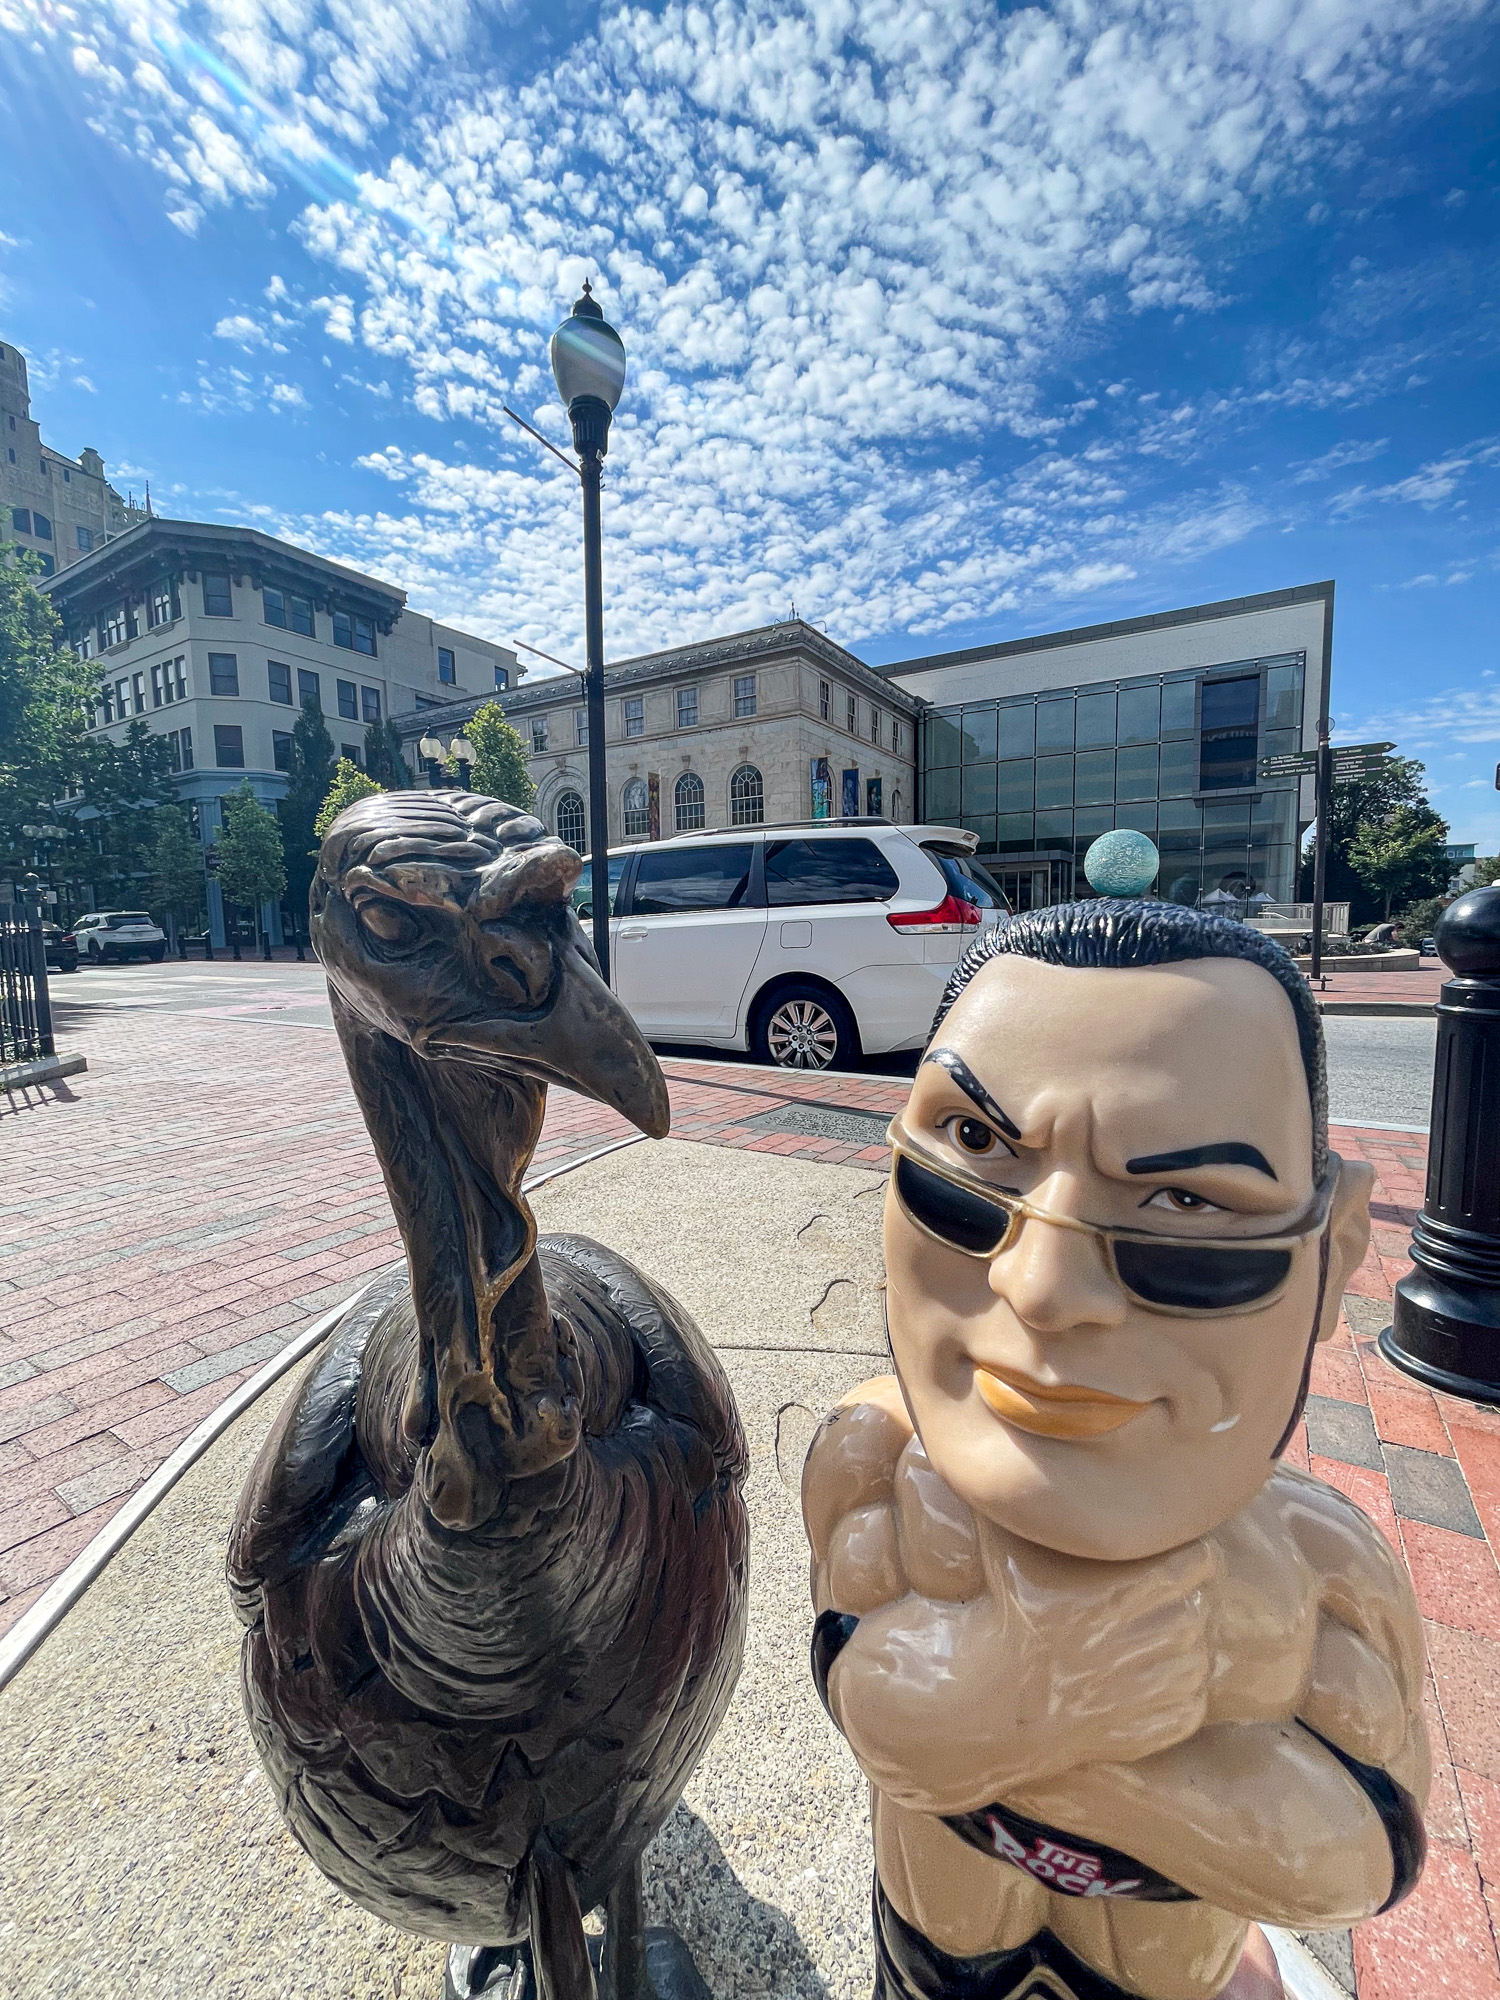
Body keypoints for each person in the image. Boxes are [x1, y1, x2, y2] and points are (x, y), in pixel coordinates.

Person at [802, 900, 1427, 2000]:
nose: (1041, 1286)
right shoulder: (874, 1459)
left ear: (1335, 1249)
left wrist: (1006, 1725)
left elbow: (1367, 1852)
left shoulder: (1319, 1570)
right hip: (927, 1956)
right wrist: (1052, 1703)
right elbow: (855, 1691)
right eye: (977, 1142)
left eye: (1184, 1197)